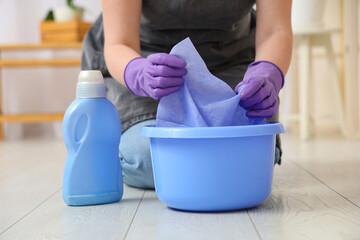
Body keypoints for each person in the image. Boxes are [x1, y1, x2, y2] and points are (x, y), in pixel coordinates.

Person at [82, 0, 292, 189]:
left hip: (231, 60)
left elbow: (276, 30)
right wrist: (139, 73)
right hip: (143, 59)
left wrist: (268, 73)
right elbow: (120, 43)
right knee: (146, 160)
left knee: (253, 155)